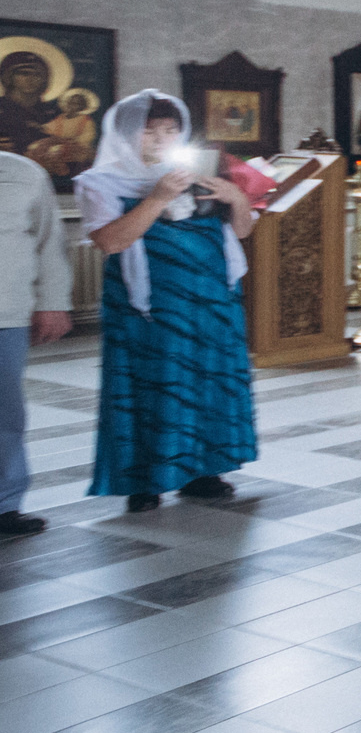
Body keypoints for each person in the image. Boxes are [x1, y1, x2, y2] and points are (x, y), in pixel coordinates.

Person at [75, 92, 258, 513]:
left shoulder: (199, 173)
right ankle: (146, 477)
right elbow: (111, 240)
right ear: (125, 133)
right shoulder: (100, 181)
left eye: (171, 130)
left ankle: (204, 470)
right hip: (150, 307)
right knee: (154, 381)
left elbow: (243, 232)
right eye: (149, 130)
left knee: (210, 379)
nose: (160, 138)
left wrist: (237, 199)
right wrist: (156, 197)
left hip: (212, 300)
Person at [1, 149, 72, 539]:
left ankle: (4, 504)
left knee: (5, 416)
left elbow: (50, 243)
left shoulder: (23, 172)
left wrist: (53, 303)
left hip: (5, 315)